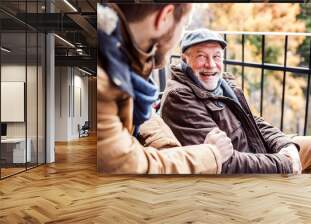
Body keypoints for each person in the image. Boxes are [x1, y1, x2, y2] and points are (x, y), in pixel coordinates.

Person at [97, 4, 233, 174]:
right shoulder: (103, 81)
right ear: (165, 16)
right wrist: (212, 154)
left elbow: (145, 117)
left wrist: (167, 147)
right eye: (184, 26)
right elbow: (128, 165)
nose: (181, 36)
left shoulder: (123, 62)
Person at [161, 28, 311, 174]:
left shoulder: (223, 83)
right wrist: (283, 163)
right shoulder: (179, 97)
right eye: (201, 56)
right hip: (247, 172)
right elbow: (223, 163)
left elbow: (253, 121)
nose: (211, 64)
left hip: (261, 153)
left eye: (216, 56)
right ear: (184, 59)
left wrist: (285, 144)